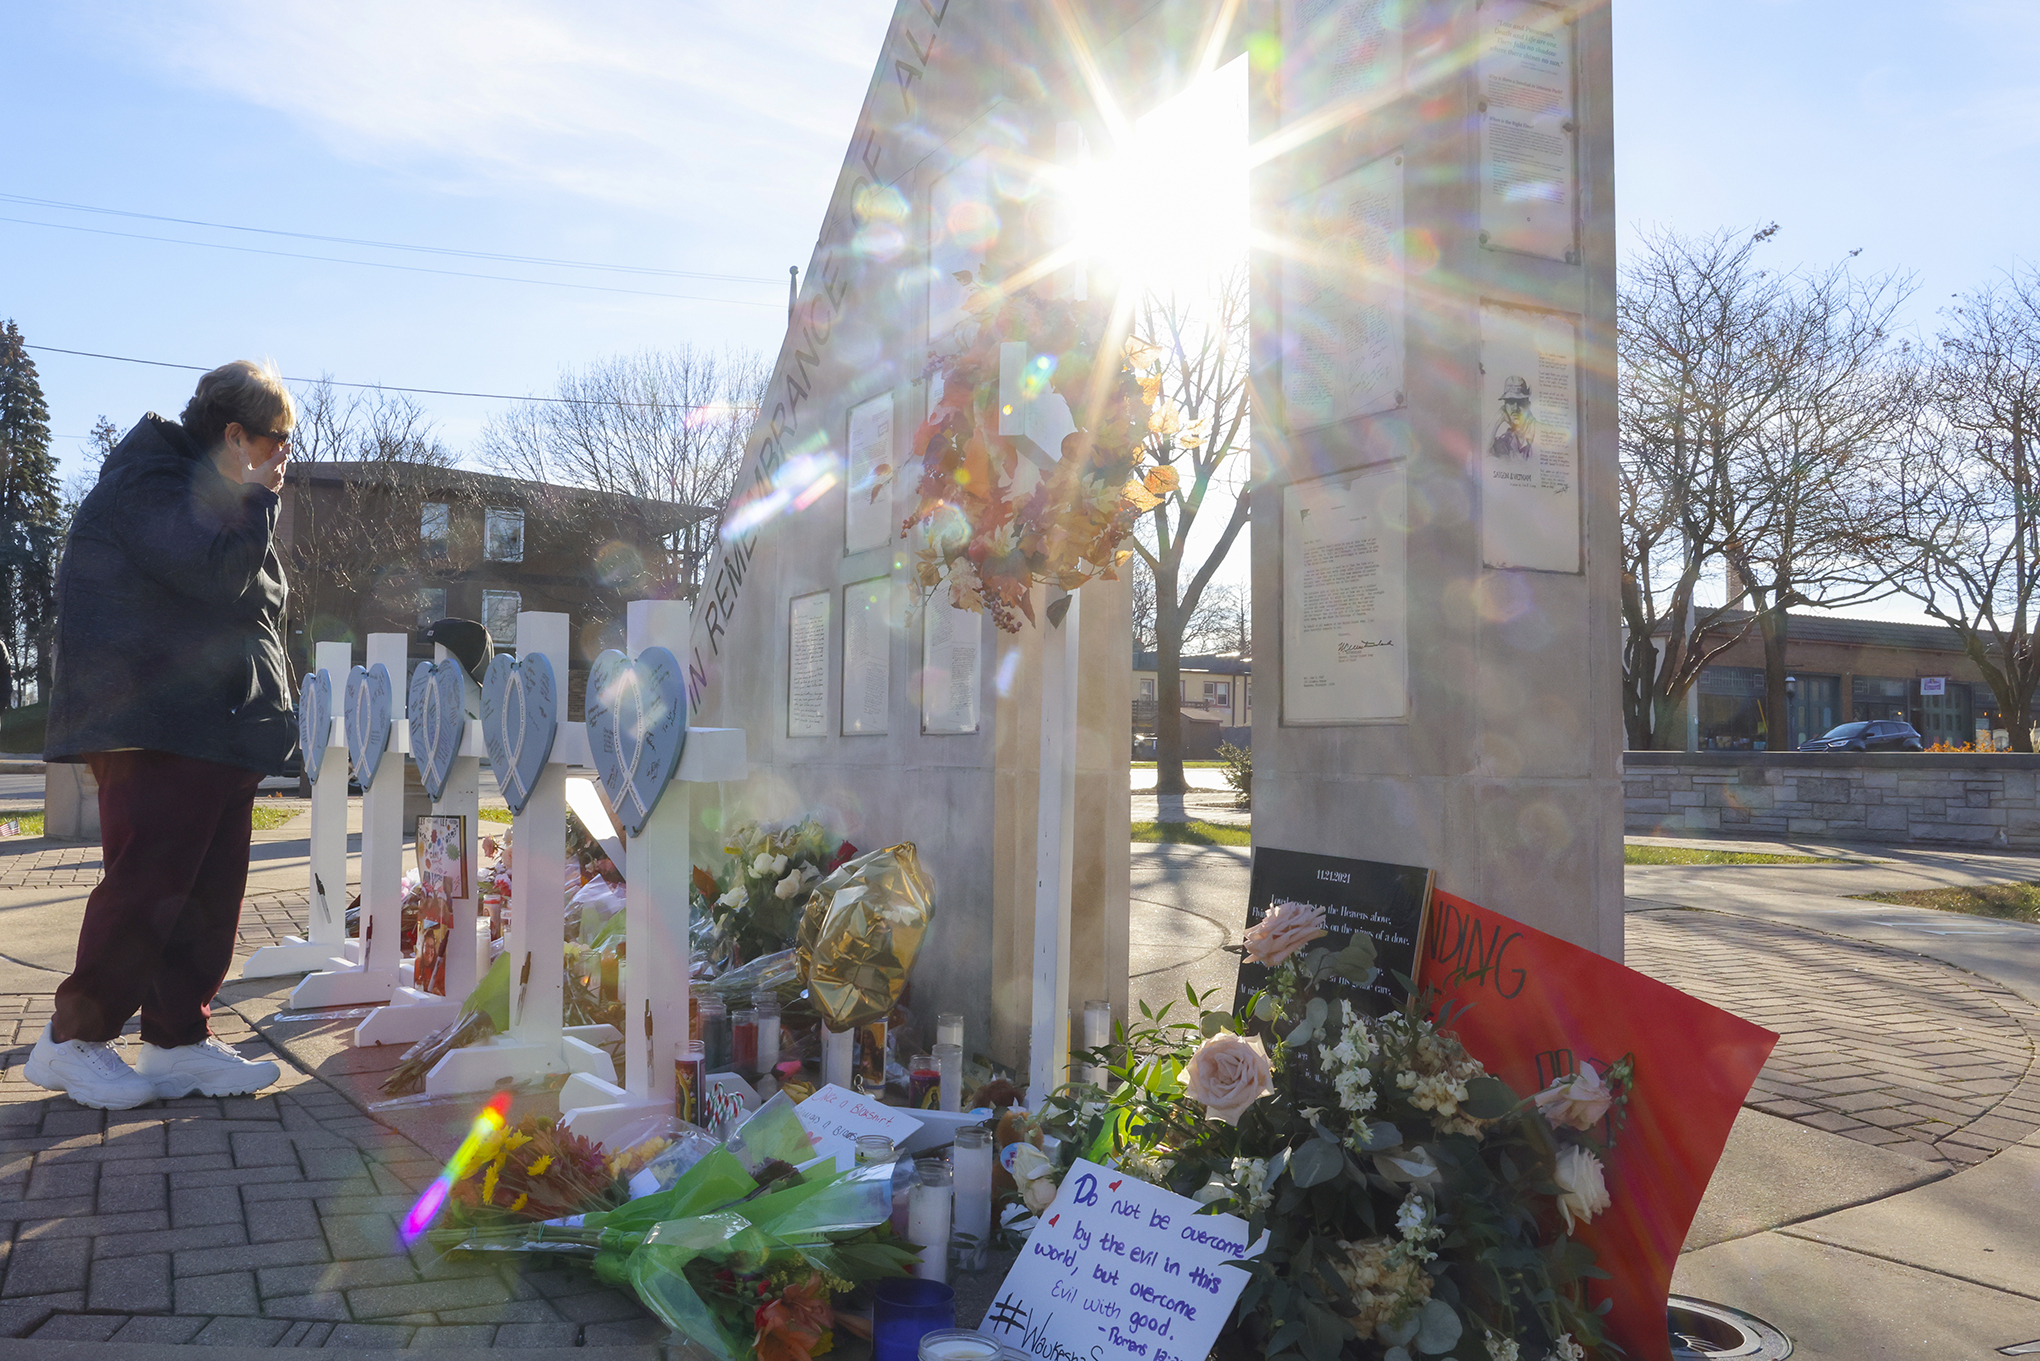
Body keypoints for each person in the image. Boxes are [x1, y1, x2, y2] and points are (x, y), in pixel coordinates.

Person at [25, 361, 297, 1110]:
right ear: (235, 433)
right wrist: (257, 499)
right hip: (155, 722)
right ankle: (72, 1041)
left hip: (212, 724)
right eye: (277, 442)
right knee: (149, 884)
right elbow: (213, 579)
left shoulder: (212, 494)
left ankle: (178, 1042)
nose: (284, 461)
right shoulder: (149, 478)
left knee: (207, 892)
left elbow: (255, 596)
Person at [1487, 375, 1537, 460]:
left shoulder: (1540, 433)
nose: (1515, 408)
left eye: (1520, 402)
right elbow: (1480, 456)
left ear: (1528, 405)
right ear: (1505, 407)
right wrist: (1497, 419)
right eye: (1510, 402)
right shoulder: (1504, 443)